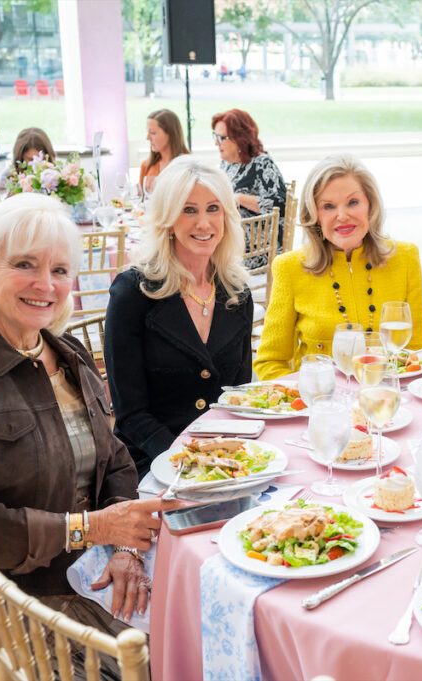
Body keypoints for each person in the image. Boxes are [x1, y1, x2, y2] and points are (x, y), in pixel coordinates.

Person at [0, 193, 170, 676]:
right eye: (24, 264)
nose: (46, 284)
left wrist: (126, 548)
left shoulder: (66, 353)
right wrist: (94, 529)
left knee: (182, 637)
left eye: (61, 270)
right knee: (130, 669)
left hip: (66, 570)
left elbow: (118, 461)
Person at [105, 157, 253, 476]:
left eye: (213, 208)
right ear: (168, 218)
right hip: (152, 458)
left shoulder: (237, 293)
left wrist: (232, 457)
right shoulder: (133, 293)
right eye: (189, 210)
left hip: (225, 458)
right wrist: (190, 462)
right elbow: (130, 415)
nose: (203, 223)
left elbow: (240, 396)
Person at [254, 154, 422, 380]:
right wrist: (303, 399)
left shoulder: (405, 258)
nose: (342, 216)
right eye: (328, 206)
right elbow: (270, 362)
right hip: (322, 405)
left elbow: (416, 352)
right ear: (315, 215)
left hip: (387, 400)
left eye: (353, 202)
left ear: (370, 205)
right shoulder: (290, 268)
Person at [212, 109, 287, 220]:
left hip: (257, 234)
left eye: (222, 138)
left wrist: (240, 198)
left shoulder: (261, 163)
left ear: (240, 139)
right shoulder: (226, 163)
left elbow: (281, 204)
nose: (216, 143)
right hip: (233, 230)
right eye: (215, 136)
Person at [139, 109, 188, 188]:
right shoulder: (146, 166)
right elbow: (140, 198)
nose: (148, 138)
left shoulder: (190, 166)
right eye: (147, 132)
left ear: (171, 134)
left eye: (153, 133)